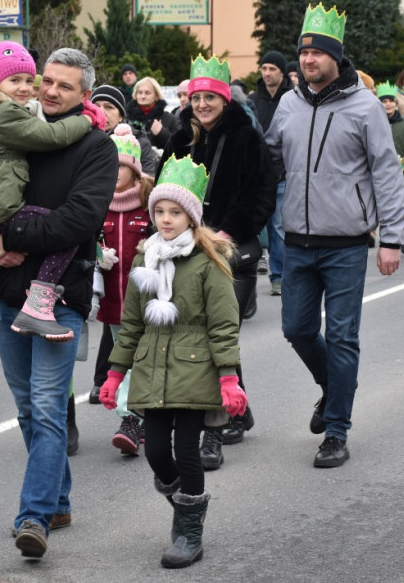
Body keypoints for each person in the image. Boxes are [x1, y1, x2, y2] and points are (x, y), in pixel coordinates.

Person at [0, 48, 116, 560]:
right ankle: (57, 500)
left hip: (60, 298)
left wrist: (8, 235)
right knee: (28, 409)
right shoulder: (14, 131)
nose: (51, 91)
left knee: (51, 409)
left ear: (84, 96)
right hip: (4, 294)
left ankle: (33, 517)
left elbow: (79, 220)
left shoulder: (96, 147)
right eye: (46, 81)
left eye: (64, 86)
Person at [266, 3, 404, 468]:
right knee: (296, 330)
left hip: (346, 243)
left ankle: (336, 430)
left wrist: (392, 237)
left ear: (335, 58)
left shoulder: (365, 107)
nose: (307, 61)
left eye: (316, 54)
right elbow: (267, 160)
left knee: (343, 336)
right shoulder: (288, 103)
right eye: (303, 54)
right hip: (297, 242)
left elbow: (387, 173)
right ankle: (333, 389)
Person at [99, 154, 245, 569]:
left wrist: (229, 378)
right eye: (159, 211)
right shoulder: (147, 262)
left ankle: (188, 530)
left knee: (185, 451)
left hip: (195, 370)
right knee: (156, 453)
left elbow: (223, 324)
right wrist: (114, 375)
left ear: (191, 217)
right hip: (152, 370)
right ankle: (186, 504)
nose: (165, 219)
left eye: (175, 212)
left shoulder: (208, 264)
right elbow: (130, 326)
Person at [160, 54, 276, 468]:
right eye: (197, 97)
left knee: (213, 338)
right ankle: (237, 410)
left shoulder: (246, 136)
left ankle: (211, 430)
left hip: (232, 255)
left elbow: (261, 191)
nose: (203, 104)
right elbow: (166, 190)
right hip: (186, 255)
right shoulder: (180, 139)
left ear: (225, 99)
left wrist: (224, 232)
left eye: (210, 97)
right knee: (208, 339)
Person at [0, 42, 100, 341]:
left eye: (30, 81)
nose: (28, 88)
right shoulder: (4, 114)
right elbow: (52, 136)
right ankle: (39, 305)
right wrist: (86, 119)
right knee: (58, 227)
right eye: (15, 80)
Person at [96, 125, 154, 455]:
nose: (113, 172)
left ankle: (131, 419)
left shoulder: (148, 203)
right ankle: (138, 418)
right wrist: (97, 254)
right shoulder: (99, 202)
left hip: (146, 304)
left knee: (140, 361)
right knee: (126, 359)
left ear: (133, 169)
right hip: (113, 303)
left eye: (119, 165)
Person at [248, 51, 294, 297]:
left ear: (282, 72)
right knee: (255, 228)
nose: (267, 73)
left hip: (282, 174)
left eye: (272, 69)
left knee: (278, 228)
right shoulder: (254, 99)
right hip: (257, 174)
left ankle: (279, 276)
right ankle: (249, 279)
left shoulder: (292, 99)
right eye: (264, 68)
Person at [377, 80, 404, 254]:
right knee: (383, 207)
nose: (387, 104)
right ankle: (386, 239)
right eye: (383, 101)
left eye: (390, 101)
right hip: (381, 174)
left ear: (396, 103)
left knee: (403, 206)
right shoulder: (374, 121)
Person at [91, 84, 156, 175]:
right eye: (96, 107)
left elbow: (147, 181)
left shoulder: (138, 141)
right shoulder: (81, 137)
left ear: (121, 117)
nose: (101, 112)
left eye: (109, 107)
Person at [125, 76, 178, 152]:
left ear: (156, 96)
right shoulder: (127, 118)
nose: (143, 96)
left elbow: (179, 147)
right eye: (140, 92)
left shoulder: (169, 119)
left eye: (147, 93)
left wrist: (162, 132)